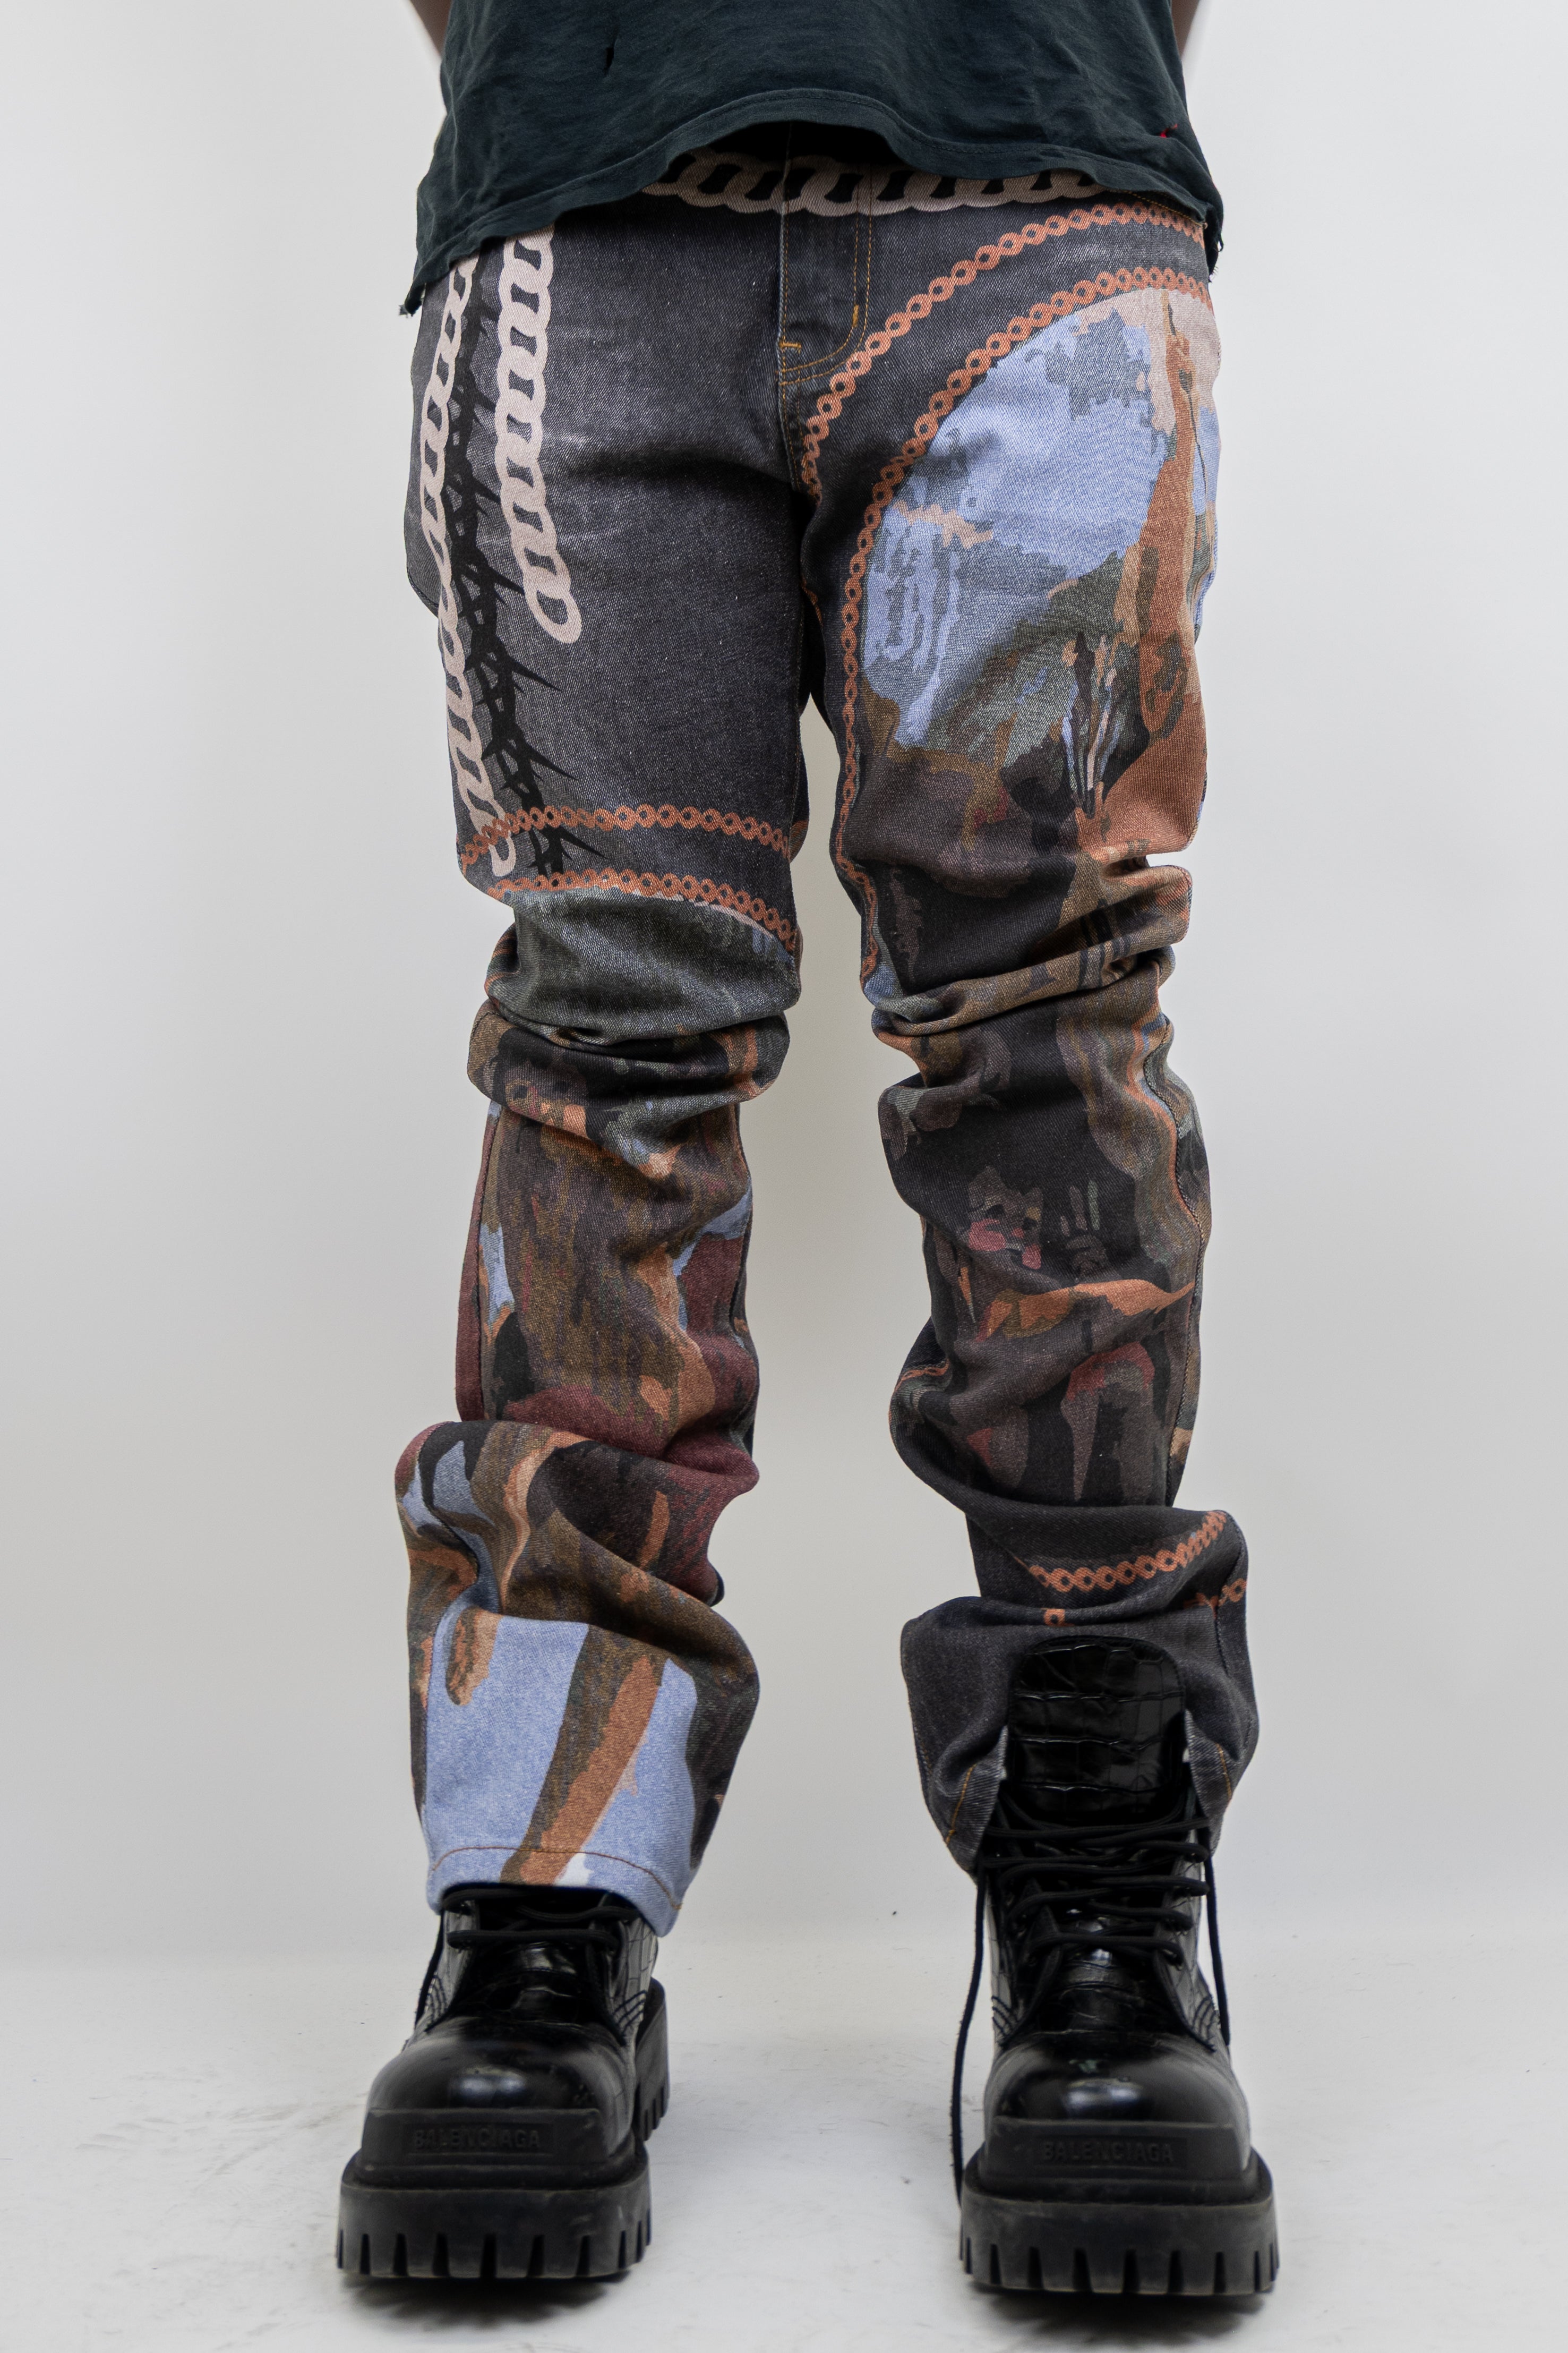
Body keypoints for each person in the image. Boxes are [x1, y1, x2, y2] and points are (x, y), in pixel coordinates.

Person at [338, 0, 1277, 2299]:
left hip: (1036, 192)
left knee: (1052, 1041)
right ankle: (544, 1891)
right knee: (611, 1039)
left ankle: (1098, 1886)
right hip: (579, 216)